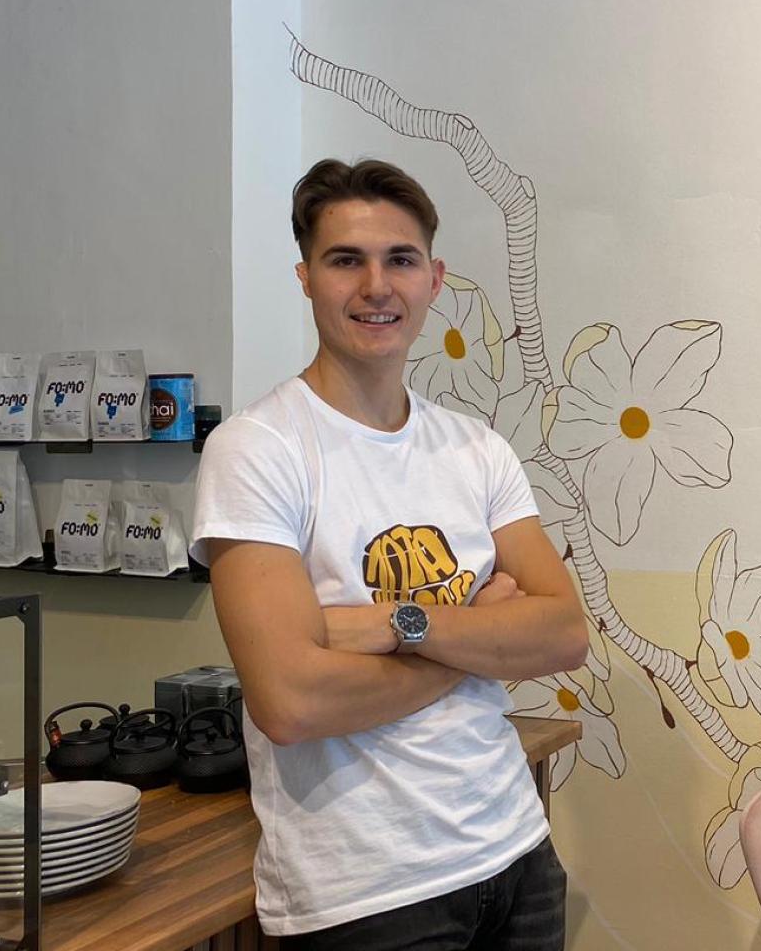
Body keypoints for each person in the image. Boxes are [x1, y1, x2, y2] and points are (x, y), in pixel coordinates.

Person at [191, 158, 589, 950]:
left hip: (516, 847)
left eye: (400, 259)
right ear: (306, 277)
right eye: (347, 260)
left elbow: (565, 634)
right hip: (367, 895)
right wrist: (475, 638)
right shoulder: (258, 450)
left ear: (434, 278)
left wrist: (390, 623)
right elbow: (292, 703)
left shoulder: (475, 447)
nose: (377, 285)